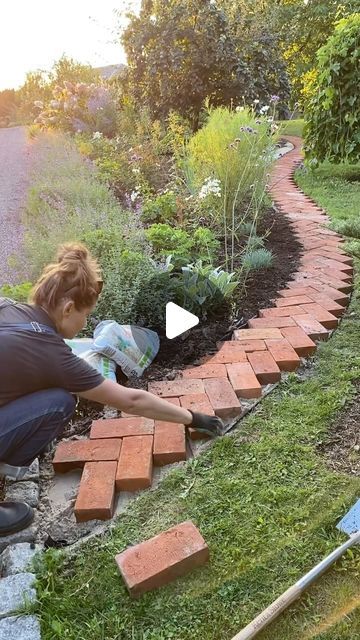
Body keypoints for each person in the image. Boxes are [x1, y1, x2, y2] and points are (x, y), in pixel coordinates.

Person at [0, 243, 223, 536]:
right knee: (60, 402)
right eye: (87, 315)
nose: (87, 323)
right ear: (68, 308)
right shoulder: (51, 353)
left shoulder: (8, 308)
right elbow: (131, 400)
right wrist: (193, 418)